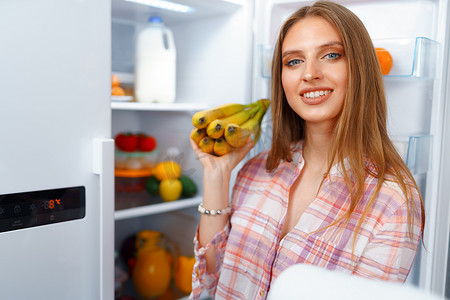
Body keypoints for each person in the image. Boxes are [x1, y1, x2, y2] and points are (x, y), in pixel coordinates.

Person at [189, 1, 424, 299]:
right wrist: (216, 174)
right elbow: (210, 282)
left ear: (361, 68)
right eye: (294, 61)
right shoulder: (257, 169)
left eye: (331, 55)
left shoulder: (393, 201)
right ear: (282, 79)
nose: (309, 73)